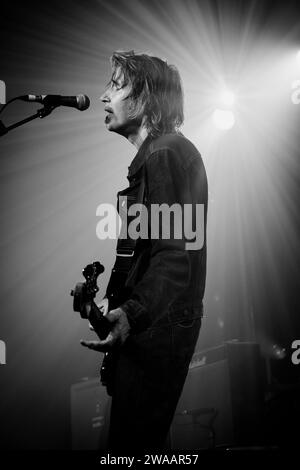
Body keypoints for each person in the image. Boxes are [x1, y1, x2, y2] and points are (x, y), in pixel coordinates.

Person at [80, 50, 208, 453]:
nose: (103, 96)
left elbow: (174, 260)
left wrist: (131, 315)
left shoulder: (165, 153)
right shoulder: (158, 155)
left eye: (115, 86)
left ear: (146, 96)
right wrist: (111, 308)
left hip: (161, 325)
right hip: (156, 322)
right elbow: (150, 259)